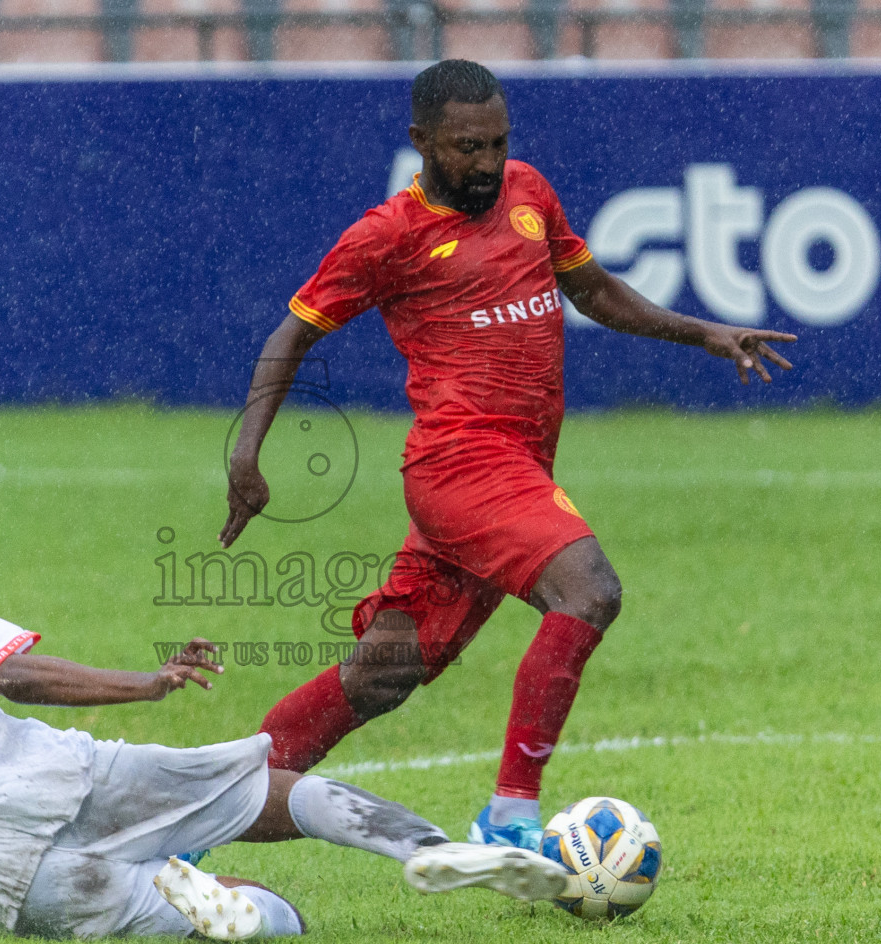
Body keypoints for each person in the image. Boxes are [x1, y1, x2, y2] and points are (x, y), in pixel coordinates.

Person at [221, 59, 796, 853]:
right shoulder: (387, 235)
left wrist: (705, 332)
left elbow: (592, 292)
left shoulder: (529, 192)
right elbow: (292, 336)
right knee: (590, 591)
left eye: (497, 142)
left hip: (515, 472)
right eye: (466, 147)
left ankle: (203, 812)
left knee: (382, 674)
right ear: (421, 141)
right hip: (460, 465)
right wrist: (247, 457)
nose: (487, 163)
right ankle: (512, 815)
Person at [0, 507, 569, 942]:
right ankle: (427, 847)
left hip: (25, 887)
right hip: (79, 780)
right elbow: (18, 677)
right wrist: (146, 684)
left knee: (258, 928)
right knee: (268, 788)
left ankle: (213, 899)